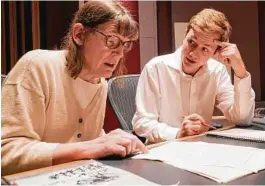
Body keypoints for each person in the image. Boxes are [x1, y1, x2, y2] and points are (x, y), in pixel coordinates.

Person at [1, 1, 147, 176]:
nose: (120, 53)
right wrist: (91, 146)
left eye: (125, 44)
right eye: (112, 40)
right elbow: (6, 152)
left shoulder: (100, 83)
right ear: (79, 34)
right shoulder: (36, 66)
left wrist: (107, 140)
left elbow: (84, 141)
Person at [132, 8, 255, 143]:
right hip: (164, 148)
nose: (193, 54)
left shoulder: (217, 71)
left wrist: (240, 70)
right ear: (185, 34)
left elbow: (242, 119)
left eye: (205, 49)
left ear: (216, 52)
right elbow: (142, 123)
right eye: (191, 42)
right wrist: (178, 133)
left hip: (201, 149)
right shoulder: (155, 68)